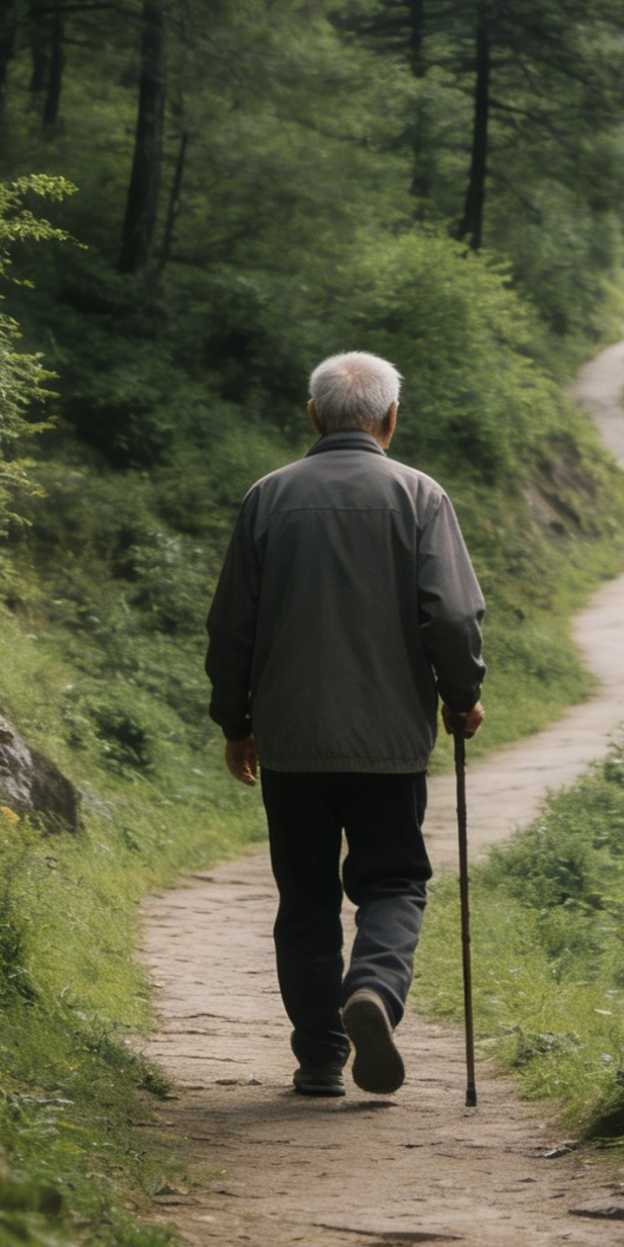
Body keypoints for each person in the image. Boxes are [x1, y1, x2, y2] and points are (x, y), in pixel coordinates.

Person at [203, 350, 486, 1098]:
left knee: (305, 899)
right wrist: (462, 696)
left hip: (291, 740)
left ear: (313, 417)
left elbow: (231, 626)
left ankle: (321, 1058)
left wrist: (235, 720)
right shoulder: (418, 495)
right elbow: (452, 615)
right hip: (389, 741)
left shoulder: (267, 498)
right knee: (392, 880)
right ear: (389, 419)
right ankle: (373, 992)